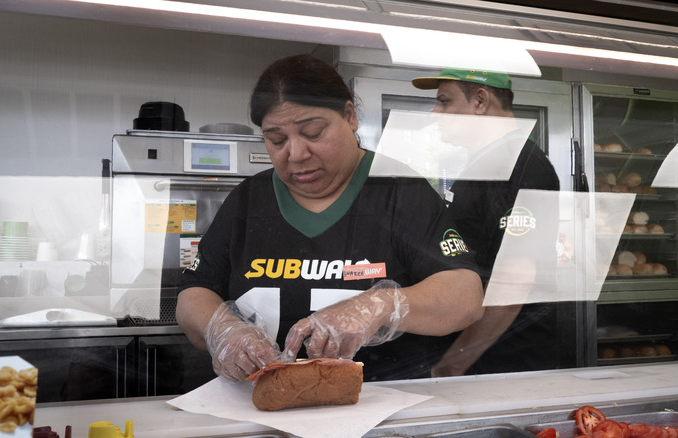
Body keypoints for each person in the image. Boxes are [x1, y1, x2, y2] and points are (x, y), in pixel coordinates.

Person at [176, 54, 484, 383]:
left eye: (313, 132)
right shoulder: (249, 199)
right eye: (276, 140)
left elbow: (465, 295)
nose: (295, 154)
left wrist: (380, 304)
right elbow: (193, 293)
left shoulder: (400, 191)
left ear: (349, 116)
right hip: (261, 405)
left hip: (381, 409)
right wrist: (223, 331)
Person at [411, 68, 571, 376]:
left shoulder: (520, 165)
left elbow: (515, 280)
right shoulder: (487, 164)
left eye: (444, 102)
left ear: (480, 101)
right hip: (480, 358)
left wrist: (451, 365)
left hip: (504, 363)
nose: (435, 113)